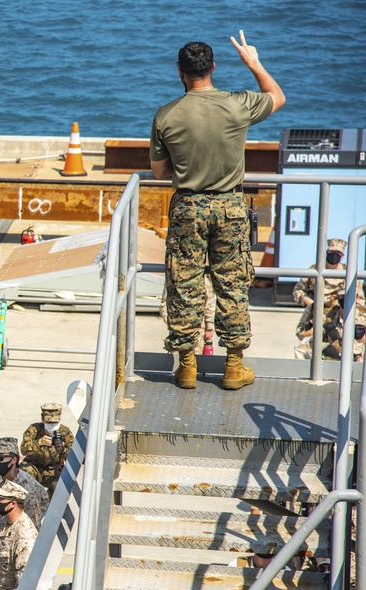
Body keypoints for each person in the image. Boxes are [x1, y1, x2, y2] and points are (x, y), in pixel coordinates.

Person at [150, 32, 285, 390]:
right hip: (230, 205)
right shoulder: (237, 104)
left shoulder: (166, 115)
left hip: (187, 208)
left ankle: (187, 366)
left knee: (183, 285)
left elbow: (161, 172)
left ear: (180, 72)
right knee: (233, 286)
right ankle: (233, 367)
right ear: (212, 67)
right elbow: (278, 97)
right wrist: (253, 62)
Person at [19, 403, 75, 496]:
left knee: (60, 487)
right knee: (24, 476)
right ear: (42, 419)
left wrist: (62, 449)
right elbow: (23, 449)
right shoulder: (34, 429)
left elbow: (73, 456)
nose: (52, 426)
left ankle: (49, 506)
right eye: (49, 423)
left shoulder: (65, 432)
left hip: (53, 469)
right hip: (34, 466)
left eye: (55, 423)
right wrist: (39, 443)